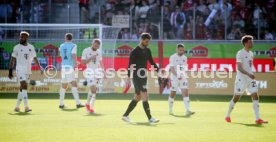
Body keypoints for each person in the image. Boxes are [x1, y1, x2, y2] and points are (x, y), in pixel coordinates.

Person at [225, 35, 268, 124]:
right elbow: (239, 67)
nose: (252, 43)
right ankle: (227, 115)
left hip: (250, 79)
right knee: (236, 97)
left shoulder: (251, 54)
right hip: (241, 79)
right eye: (250, 41)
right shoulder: (240, 53)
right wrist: (248, 74)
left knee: (255, 95)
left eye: (252, 41)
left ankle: (257, 118)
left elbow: (249, 66)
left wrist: (251, 73)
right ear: (245, 43)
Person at [122, 33, 160, 123]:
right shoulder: (135, 51)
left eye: (148, 42)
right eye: (146, 41)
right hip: (137, 76)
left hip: (143, 76)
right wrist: (128, 77)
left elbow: (152, 62)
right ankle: (150, 118)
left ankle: (125, 115)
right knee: (145, 95)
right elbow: (130, 65)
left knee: (138, 97)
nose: (147, 43)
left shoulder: (147, 50)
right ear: (142, 40)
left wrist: (159, 72)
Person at [8, 31, 43, 112]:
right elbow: (12, 60)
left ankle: (17, 107)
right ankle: (26, 107)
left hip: (28, 70)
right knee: (24, 86)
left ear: (26, 38)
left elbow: (35, 58)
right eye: (20, 37)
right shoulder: (16, 47)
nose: (20, 38)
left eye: (22, 37)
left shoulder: (31, 47)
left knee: (21, 89)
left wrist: (39, 66)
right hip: (19, 69)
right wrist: (10, 71)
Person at [59, 33, 84, 109]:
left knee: (64, 85)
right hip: (70, 67)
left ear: (65, 38)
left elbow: (61, 55)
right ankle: (78, 103)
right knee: (74, 84)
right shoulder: (74, 45)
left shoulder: (61, 46)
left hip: (63, 66)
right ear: (72, 38)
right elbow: (73, 54)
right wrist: (76, 63)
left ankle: (61, 104)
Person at [168, 43, 195, 116]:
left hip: (183, 77)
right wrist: (177, 75)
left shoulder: (185, 58)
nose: (182, 51)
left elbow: (185, 68)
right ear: (177, 49)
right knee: (172, 94)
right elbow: (172, 68)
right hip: (174, 78)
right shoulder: (172, 57)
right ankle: (170, 110)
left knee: (185, 92)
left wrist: (183, 74)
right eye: (180, 50)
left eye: (183, 50)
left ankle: (188, 110)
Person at [81, 39, 105, 113]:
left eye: (97, 46)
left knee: (94, 91)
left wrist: (103, 71)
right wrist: (91, 57)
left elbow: (100, 62)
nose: (96, 46)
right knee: (93, 90)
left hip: (97, 72)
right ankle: (88, 105)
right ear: (92, 43)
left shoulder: (99, 52)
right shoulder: (86, 51)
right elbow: (83, 62)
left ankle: (90, 106)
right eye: (95, 45)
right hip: (89, 72)